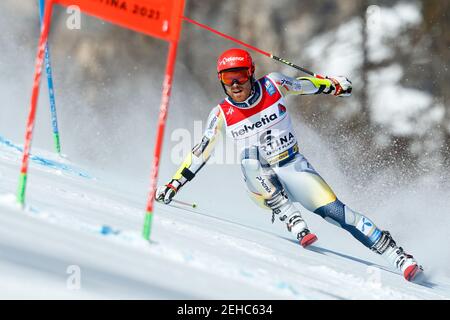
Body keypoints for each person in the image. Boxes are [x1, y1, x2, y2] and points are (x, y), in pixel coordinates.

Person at [156, 48, 422, 281]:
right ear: (220, 80)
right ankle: (290, 216)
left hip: (294, 167)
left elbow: (304, 85)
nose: (235, 84)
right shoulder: (221, 114)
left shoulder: (273, 84)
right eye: (227, 78)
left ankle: (398, 256)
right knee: (251, 155)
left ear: (251, 72)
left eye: (240, 75)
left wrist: (334, 85)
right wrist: (174, 183)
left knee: (341, 215)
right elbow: (201, 151)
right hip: (260, 183)